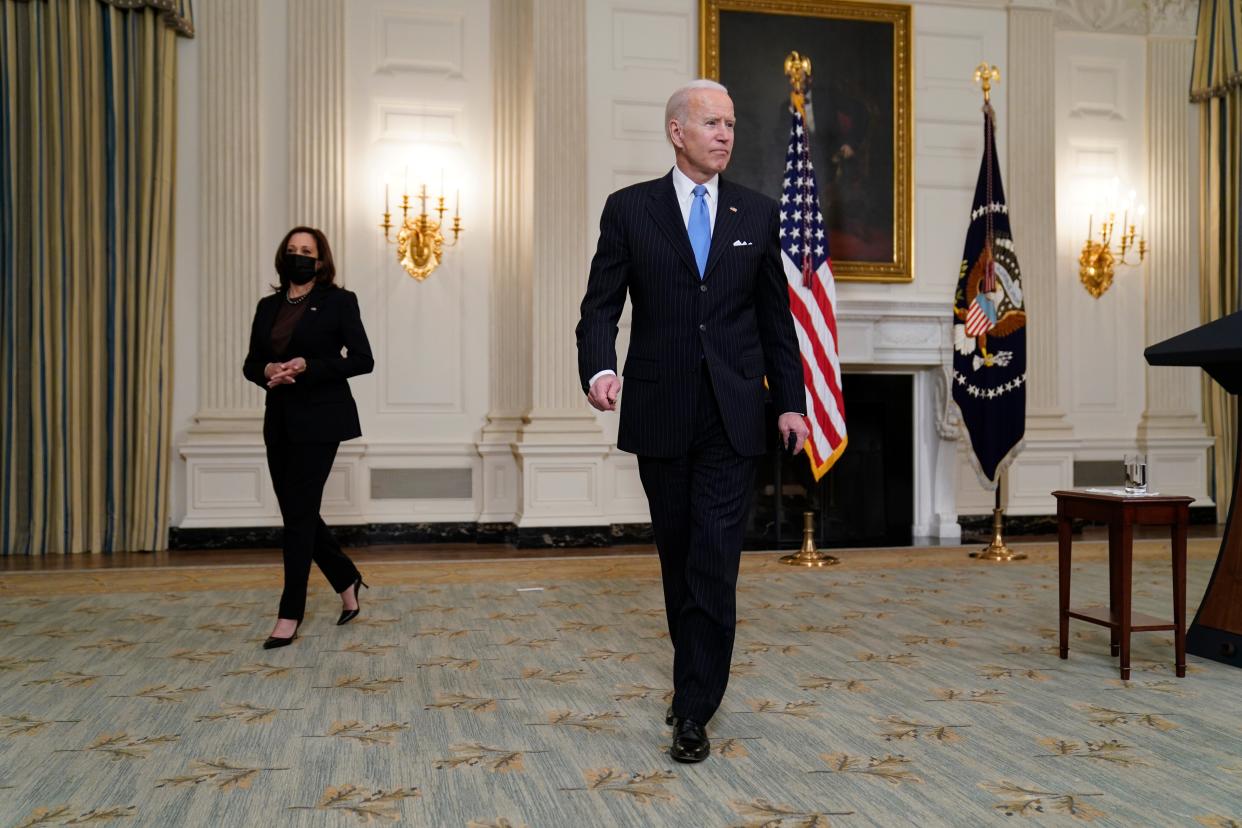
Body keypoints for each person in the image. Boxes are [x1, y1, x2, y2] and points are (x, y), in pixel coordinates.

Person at [575, 80, 809, 762]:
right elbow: (599, 307)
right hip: (660, 407)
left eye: (732, 124)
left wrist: (790, 401)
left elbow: (776, 321)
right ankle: (692, 676)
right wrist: (600, 368)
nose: (726, 135)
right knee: (679, 557)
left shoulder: (757, 214)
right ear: (678, 131)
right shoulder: (630, 210)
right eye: (713, 123)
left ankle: (696, 707)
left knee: (715, 558)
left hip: (734, 415)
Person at [242, 226, 374, 649]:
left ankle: (289, 612)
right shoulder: (268, 306)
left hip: (321, 419)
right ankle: (344, 576)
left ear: (320, 260)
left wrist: (307, 366)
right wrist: (267, 372)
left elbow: (362, 360)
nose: (299, 256)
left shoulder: (339, 301)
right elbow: (252, 362)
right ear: (283, 256)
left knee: (298, 517)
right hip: (278, 417)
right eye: (293, 250)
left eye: (308, 251)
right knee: (299, 513)